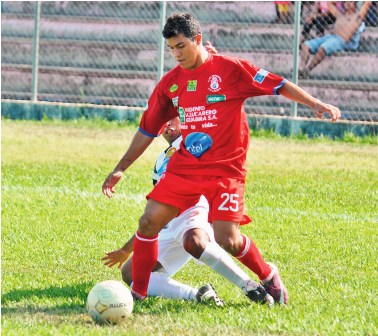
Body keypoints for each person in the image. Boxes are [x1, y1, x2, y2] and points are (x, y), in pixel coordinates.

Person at [102, 12, 341, 304]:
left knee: (227, 238)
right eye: (171, 49)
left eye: (181, 46)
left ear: (197, 40)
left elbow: (278, 84)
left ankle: (267, 275)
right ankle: (136, 295)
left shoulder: (230, 70)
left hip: (227, 171)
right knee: (149, 221)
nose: (177, 54)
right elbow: (147, 128)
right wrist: (120, 168)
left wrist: (315, 103)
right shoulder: (171, 84)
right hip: (186, 168)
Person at [102, 116, 274, 306]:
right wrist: (127, 249)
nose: (166, 123)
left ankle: (250, 286)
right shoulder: (162, 158)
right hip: (171, 221)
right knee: (131, 274)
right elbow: (158, 213)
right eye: (162, 120)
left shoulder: (193, 144)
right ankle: (199, 295)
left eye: (172, 118)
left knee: (195, 241)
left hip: (193, 208)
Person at [300, 1, 372, 78]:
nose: (347, 3)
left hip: (340, 40)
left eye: (351, 1)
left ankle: (306, 70)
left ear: (355, 4)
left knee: (323, 48)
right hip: (330, 37)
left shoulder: (357, 17)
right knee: (305, 45)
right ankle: (301, 67)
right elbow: (329, 3)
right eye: (346, 2)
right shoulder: (339, 15)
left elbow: (367, 3)